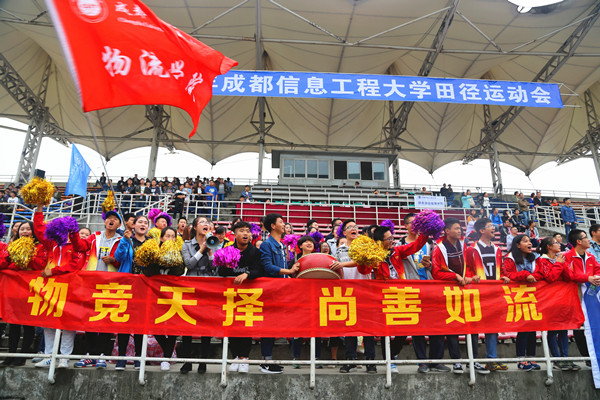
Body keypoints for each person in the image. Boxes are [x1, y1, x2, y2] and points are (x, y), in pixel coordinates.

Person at [359, 225, 430, 373]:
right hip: (383, 297)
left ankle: (391, 355)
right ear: (379, 241)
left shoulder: (397, 251)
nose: (392, 241)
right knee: (386, 331)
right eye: (389, 239)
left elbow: (415, 246)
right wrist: (363, 259)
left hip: (401, 295)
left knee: (404, 329)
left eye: (392, 237)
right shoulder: (374, 255)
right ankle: (389, 362)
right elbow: (364, 270)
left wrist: (425, 232)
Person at [33, 206, 86, 369]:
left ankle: (64, 357)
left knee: (68, 323)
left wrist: (54, 271)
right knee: (48, 321)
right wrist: (39, 208)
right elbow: (39, 229)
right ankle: (49, 356)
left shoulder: (76, 245)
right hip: (51, 287)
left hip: (70, 288)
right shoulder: (51, 243)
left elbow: (75, 265)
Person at [70, 210, 122, 369]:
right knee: (90, 318)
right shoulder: (95, 237)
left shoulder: (121, 240)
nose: (111, 221)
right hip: (91, 284)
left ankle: (102, 355)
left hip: (111, 285)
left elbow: (125, 260)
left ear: (119, 224)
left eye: (115, 219)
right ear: (104, 222)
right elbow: (79, 246)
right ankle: (90, 354)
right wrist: (74, 232)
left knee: (106, 319)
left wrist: (114, 260)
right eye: (109, 218)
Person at [330, 219, 376, 374]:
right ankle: (350, 360)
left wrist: (343, 265)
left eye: (355, 226)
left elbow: (361, 262)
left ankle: (371, 362)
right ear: (344, 232)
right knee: (350, 329)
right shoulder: (339, 250)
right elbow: (335, 268)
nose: (353, 228)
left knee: (368, 328)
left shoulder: (365, 246)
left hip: (365, 291)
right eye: (349, 227)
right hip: (347, 292)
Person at [432, 217, 476, 374]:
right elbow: (437, 273)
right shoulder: (439, 248)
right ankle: (456, 361)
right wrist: (455, 276)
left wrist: (469, 277)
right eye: (456, 228)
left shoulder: (463, 245)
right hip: (448, 293)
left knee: (472, 325)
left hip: (466, 291)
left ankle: (473, 360)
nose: (459, 231)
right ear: (447, 231)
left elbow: (469, 266)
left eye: (460, 228)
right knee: (453, 327)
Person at [0, 221, 48, 368]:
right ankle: (11, 355)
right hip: (14, 289)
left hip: (31, 289)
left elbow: (40, 264)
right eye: (22, 229)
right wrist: (14, 260)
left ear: (33, 232)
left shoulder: (40, 247)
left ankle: (22, 356)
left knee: (27, 324)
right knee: (13, 323)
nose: (25, 231)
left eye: (28, 229)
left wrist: (27, 256)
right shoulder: (11, 245)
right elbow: (4, 264)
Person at [218, 221, 263, 374]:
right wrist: (227, 266)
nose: (246, 234)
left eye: (248, 231)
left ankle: (244, 358)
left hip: (249, 295)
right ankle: (235, 357)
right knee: (232, 325)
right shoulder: (227, 250)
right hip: (231, 295)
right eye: (242, 231)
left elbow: (259, 270)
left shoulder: (255, 252)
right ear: (235, 234)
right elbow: (221, 272)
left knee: (245, 326)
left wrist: (247, 274)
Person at [465, 218, 509, 372]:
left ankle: (492, 359)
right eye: (490, 226)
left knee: (493, 326)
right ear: (481, 230)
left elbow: (500, 269)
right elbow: (467, 269)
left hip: (494, 293)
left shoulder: (497, 249)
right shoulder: (472, 249)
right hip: (477, 293)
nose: (493, 228)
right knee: (475, 327)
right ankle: (473, 360)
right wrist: (472, 277)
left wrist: (503, 276)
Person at [259, 213, 298, 373]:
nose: (284, 224)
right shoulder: (266, 244)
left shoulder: (282, 245)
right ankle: (265, 361)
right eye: (281, 222)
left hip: (281, 289)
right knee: (268, 326)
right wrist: (289, 271)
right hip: (270, 290)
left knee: (274, 326)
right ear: (273, 226)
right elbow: (268, 267)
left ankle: (269, 359)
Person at [112, 215, 151, 370]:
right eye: (140, 222)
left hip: (144, 288)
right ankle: (121, 358)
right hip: (127, 286)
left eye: (146, 223)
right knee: (125, 324)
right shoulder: (127, 240)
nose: (143, 224)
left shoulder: (151, 243)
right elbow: (118, 257)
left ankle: (138, 358)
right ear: (133, 225)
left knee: (140, 325)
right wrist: (124, 240)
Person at [145, 227, 185, 371]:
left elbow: (179, 271)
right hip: (155, 295)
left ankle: (166, 358)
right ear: (161, 238)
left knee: (172, 326)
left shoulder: (178, 252)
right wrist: (155, 258)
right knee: (154, 326)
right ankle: (167, 352)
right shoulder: (154, 250)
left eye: (173, 236)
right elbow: (147, 272)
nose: (170, 239)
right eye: (167, 236)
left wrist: (172, 258)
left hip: (172, 295)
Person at [179, 217, 216, 374]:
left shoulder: (214, 242)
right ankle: (187, 361)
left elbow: (215, 267)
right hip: (191, 285)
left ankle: (203, 361)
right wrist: (201, 250)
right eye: (202, 222)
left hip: (208, 286)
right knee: (188, 324)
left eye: (207, 223)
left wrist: (211, 251)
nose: (205, 224)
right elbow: (189, 264)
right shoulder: (187, 245)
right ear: (194, 227)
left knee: (206, 325)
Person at [536, 237, 579, 371]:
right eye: (555, 243)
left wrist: (563, 263)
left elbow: (570, 276)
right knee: (552, 330)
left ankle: (565, 358)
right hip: (549, 300)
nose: (559, 245)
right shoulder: (541, 260)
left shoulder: (560, 258)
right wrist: (559, 264)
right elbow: (551, 277)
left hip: (563, 299)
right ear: (548, 247)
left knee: (564, 329)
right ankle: (556, 359)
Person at [502, 234, 542, 371]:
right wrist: (525, 274)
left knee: (532, 328)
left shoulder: (536, 258)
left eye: (530, 241)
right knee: (523, 328)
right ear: (518, 245)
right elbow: (509, 275)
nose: (529, 243)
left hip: (533, 296)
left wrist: (533, 276)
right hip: (518, 296)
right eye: (525, 241)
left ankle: (531, 357)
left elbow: (540, 273)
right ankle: (521, 359)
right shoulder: (510, 258)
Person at [563, 229, 600, 368]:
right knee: (579, 325)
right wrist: (587, 278)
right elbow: (569, 274)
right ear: (578, 241)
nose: (588, 240)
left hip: (591, 296)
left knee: (594, 323)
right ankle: (587, 356)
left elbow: (597, 268)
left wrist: (596, 277)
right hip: (574, 295)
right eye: (585, 237)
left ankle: (595, 354)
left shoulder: (590, 256)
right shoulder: (567, 256)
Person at [288, 236, 323, 368]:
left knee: (317, 329)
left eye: (311, 242)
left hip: (316, 297)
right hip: (299, 298)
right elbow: (288, 276)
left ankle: (316, 359)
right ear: (300, 246)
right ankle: (296, 358)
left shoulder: (319, 260)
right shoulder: (294, 261)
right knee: (297, 329)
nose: (309, 243)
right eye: (306, 242)